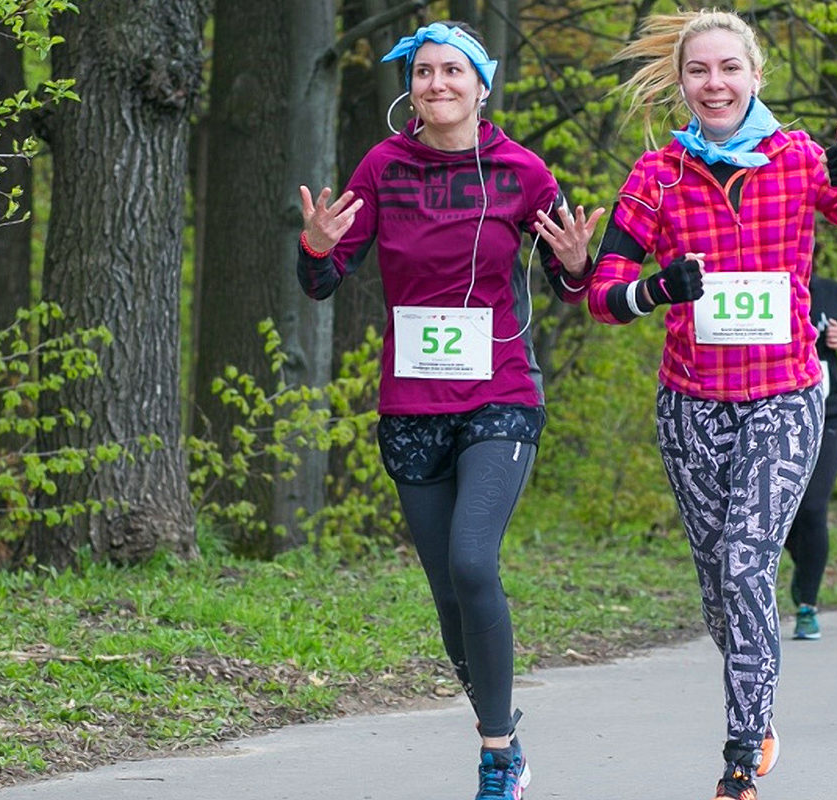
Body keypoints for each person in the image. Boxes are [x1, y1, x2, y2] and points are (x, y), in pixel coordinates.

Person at [584, 10, 837, 799]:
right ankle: (758, 703)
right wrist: (655, 289)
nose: (715, 84)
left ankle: (741, 752)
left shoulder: (799, 159)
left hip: (785, 396)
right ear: (682, 81)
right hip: (692, 406)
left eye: (729, 69)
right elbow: (603, 296)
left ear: (756, 75)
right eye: (699, 71)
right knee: (720, 587)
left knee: (747, 563)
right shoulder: (657, 175)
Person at [294, 20, 602, 800]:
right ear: (411, 88)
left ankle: (496, 754)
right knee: (446, 592)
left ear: (481, 84)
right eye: (424, 73)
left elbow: (577, 289)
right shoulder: (382, 167)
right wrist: (315, 249)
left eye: (452, 72)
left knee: (473, 561)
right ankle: (505, 729)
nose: (437, 85)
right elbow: (324, 284)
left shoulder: (524, 172)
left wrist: (575, 265)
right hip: (411, 404)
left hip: (500, 391)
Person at [784, 270, 837, 641]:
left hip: (827, 413)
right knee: (780, 509)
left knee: (813, 506)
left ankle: (807, 604)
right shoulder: (760, 284)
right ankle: (805, 573)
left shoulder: (828, 290)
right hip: (777, 412)